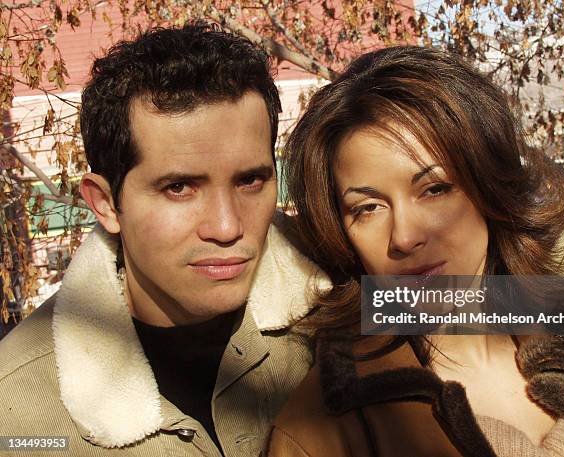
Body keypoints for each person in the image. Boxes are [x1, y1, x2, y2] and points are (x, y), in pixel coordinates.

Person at [0, 24, 330, 457]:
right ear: (105, 204)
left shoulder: (342, 289)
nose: (227, 226)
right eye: (179, 188)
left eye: (250, 181)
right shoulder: (16, 410)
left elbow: (448, 302)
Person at [265, 46, 564, 457]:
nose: (405, 237)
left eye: (434, 189)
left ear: (488, 185)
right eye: (368, 207)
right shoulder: (319, 432)